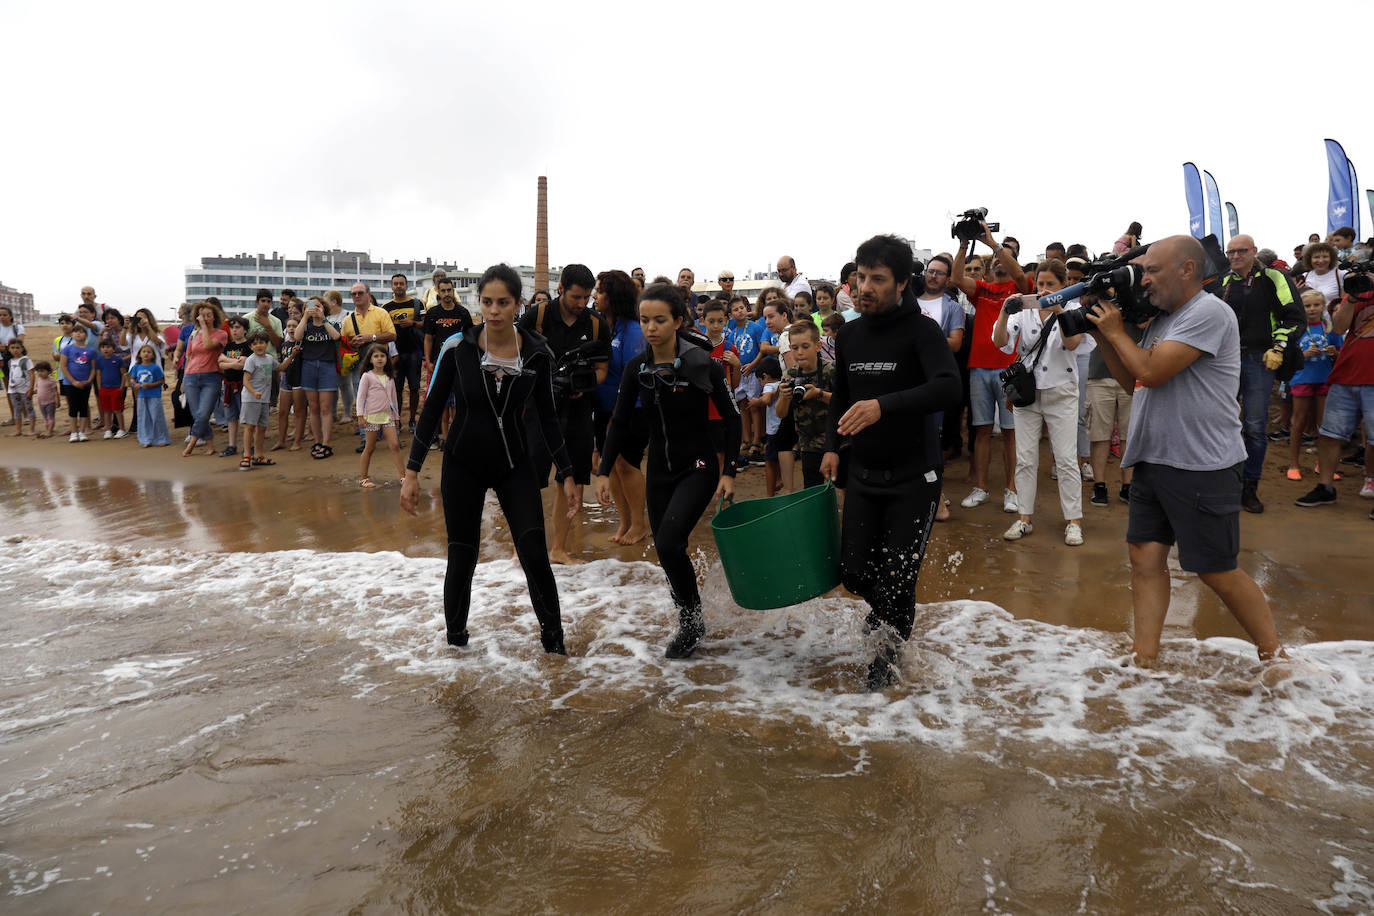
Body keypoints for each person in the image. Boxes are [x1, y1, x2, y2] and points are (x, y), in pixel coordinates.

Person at [1085, 235, 1285, 664]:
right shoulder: (1161, 321)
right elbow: (1134, 382)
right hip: (1153, 456)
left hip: (1202, 462)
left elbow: (1152, 371)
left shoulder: (1209, 312)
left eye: (1152, 270)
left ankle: (1276, 657)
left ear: (1187, 270)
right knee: (1144, 558)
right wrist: (1103, 335)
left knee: (1215, 568)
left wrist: (1118, 332)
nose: (1144, 280)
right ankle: (1145, 657)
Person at [401, 264, 578, 655]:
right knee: (462, 557)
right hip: (462, 463)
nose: (494, 310)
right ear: (478, 302)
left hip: (515, 464)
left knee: (534, 556)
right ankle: (456, 648)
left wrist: (567, 473)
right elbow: (431, 412)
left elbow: (548, 418)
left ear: (517, 304)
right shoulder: (458, 349)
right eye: (487, 302)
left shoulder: (535, 353)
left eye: (503, 302)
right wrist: (412, 472)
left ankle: (555, 649)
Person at [821, 234, 961, 690]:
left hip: (914, 476)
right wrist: (830, 446)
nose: (865, 287)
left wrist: (884, 405)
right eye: (860, 277)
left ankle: (889, 660)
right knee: (855, 574)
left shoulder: (921, 330)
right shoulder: (850, 334)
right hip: (862, 472)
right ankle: (885, 617)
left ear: (902, 283)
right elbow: (841, 394)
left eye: (877, 279)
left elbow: (947, 387)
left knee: (898, 579)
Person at [595, 282, 739, 659]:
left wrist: (731, 472)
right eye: (644, 320)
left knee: (672, 539)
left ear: (678, 321)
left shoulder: (701, 364)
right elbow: (620, 422)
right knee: (666, 547)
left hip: (699, 465)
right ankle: (690, 614)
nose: (650, 328)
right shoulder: (635, 368)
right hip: (659, 469)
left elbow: (732, 419)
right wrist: (602, 470)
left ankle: (691, 625)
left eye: (659, 320)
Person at [518, 263, 609, 565]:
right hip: (539, 409)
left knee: (572, 479)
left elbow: (602, 370)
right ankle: (524, 548)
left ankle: (558, 548)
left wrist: (585, 383)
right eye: (576, 297)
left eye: (587, 297)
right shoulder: (538, 316)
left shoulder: (596, 324)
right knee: (531, 479)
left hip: (579, 410)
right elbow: (513, 354)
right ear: (560, 289)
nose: (582, 304)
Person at [993, 260, 1086, 545]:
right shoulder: (1025, 310)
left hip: (1061, 391)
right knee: (1025, 458)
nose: (1044, 290)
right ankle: (1024, 518)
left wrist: (1058, 307)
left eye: (1050, 284)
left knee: (1067, 458)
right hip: (1029, 394)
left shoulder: (1073, 310)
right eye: (1040, 284)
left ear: (1063, 286)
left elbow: (1073, 344)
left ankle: (1073, 522)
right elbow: (1000, 342)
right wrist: (1003, 312)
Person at [1219, 234, 1303, 513]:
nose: (1234, 256)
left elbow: (1294, 316)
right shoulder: (1223, 282)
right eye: (1230, 252)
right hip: (1226, 361)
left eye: (1241, 251)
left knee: (1254, 426)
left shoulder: (1273, 278)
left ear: (1254, 251)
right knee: (1222, 424)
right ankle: (1224, 483)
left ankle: (1250, 486)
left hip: (1260, 359)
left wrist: (1279, 346)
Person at [952, 220, 1030, 513]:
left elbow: (1020, 274)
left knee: (1010, 433)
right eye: (994, 259)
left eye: (1004, 258)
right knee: (982, 430)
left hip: (1009, 368)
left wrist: (994, 244)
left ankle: (1012, 489)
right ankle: (981, 487)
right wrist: (963, 243)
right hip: (979, 368)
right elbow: (958, 279)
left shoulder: (1020, 287)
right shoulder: (982, 289)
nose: (998, 260)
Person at [1295, 271, 1374, 515]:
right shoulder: (1362, 293)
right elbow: (1339, 328)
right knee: (1329, 435)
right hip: (1345, 376)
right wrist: (1352, 297)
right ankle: (1325, 486)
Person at [594, 269, 651, 546]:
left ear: (613, 297)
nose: (595, 294)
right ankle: (625, 521)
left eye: (600, 290)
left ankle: (640, 524)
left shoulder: (633, 329)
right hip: (606, 409)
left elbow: (636, 375)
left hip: (633, 409)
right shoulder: (608, 326)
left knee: (627, 464)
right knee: (614, 466)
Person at [918, 255, 966, 521]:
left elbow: (956, 343)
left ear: (948, 279)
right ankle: (929, 495)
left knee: (931, 440)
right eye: (930, 271)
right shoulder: (909, 303)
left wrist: (926, 338)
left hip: (935, 381)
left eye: (939, 273)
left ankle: (937, 496)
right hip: (908, 380)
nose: (933, 276)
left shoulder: (953, 307)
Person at [1285, 290, 1343, 480]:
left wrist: (1334, 352)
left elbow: (1342, 355)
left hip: (1324, 379)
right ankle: (1294, 464)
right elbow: (1287, 357)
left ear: (1323, 306)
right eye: (1307, 306)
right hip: (1302, 378)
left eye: (1316, 305)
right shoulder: (1296, 329)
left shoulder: (1331, 329)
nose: (1312, 309)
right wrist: (1304, 355)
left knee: (1323, 425)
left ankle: (1323, 464)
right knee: (1298, 422)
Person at [777, 320, 837, 489]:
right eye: (794, 348)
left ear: (818, 346)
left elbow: (844, 403)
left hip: (835, 440)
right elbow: (781, 413)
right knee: (812, 489)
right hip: (808, 443)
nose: (800, 352)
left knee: (843, 483)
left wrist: (818, 394)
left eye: (805, 346)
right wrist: (784, 397)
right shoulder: (791, 374)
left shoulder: (830, 369)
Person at [344, 282, 398, 453]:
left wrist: (370, 337)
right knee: (363, 398)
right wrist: (353, 344)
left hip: (382, 362)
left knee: (387, 397)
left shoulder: (381, 313)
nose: (357, 296)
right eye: (353, 294)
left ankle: (393, 435)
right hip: (361, 364)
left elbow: (392, 335)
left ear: (368, 294)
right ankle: (365, 438)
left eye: (360, 293)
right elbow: (346, 343)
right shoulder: (348, 319)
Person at [292, 296, 342, 460]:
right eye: (311, 306)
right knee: (313, 408)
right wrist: (305, 316)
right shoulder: (305, 326)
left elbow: (336, 337)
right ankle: (318, 441)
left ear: (324, 308)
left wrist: (323, 318)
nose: (314, 308)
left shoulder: (331, 324)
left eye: (318, 306)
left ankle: (326, 442)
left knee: (325, 408)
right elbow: (297, 337)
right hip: (309, 366)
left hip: (327, 366)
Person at [180, 300, 228, 457]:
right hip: (191, 377)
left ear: (214, 317)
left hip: (211, 377)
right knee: (197, 414)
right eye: (202, 316)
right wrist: (183, 379)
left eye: (209, 315)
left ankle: (191, 444)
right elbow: (189, 356)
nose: (205, 318)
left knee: (203, 414)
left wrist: (204, 328)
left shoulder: (221, 334)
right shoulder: (194, 335)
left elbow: (208, 346)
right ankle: (210, 445)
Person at [354, 344, 405, 487]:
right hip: (372, 418)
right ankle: (364, 478)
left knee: (395, 445)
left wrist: (396, 418)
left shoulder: (389, 377)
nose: (379, 359)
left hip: (388, 417)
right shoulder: (367, 377)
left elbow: (394, 398)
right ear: (370, 360)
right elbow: (360, 398)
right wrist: (360, 416)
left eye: (382, 356)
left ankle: (403, 477)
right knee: (370, 448)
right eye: (376, 356)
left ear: (387, 359)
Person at [382, 273, 425, 434]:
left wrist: (412, 322)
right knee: (397, 389)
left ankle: (413, 420)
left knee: (414, 388)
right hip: (395, 354)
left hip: (414, 351)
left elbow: (425, 324)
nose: (398, 286)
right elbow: (384, 330)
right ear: (392, 286)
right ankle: (397, 420)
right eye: (395, 284)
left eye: (401, 283)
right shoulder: (386, 307)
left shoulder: (417, 303)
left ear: (407, 286)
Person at [237, 331, 278, 470]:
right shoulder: (251, 359)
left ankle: (259, 456)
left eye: (262, 342)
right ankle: (247, 456)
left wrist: (292, 355)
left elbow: (281, 367)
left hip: (264, 400)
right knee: (249, 427)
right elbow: (245, 381)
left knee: (262, 428)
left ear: (267, 344)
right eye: (255, 343)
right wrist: (254, 392)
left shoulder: (270, 359)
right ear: (251, 346)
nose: (259, 346)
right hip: (251, 399)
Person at [750, 356, 786, 496]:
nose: (761, 384)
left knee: (769, 461)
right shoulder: (783, 383)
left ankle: (769, 494)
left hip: (774, 429)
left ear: (765, 376)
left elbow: (766, 399)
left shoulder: (770, 386)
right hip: (783, 427)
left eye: (760, 381)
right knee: (780, 457)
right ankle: (779, 479)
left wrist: (756, 402)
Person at [217, 317, 251, 457]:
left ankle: (248, 446)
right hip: (229, 385)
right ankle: (232, 445)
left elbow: (243, 364)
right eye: (232, 328)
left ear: (245, 330)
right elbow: (220, 362)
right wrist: (232, 363)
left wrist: (227, 361)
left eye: (237, 327)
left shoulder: (249, 346)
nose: (234, 330)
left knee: (246, 418)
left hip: (243, 385)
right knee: (231, 417)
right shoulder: (229, 346)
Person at [59, 324, 97, 442]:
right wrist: (73, 381)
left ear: (86, 335)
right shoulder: (67, 349)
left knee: (84, 406)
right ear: (72, 334)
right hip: (70, 384)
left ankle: (82, 431)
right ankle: (74, 432)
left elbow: (93, 368)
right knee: (73, 407)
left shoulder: (90, 350)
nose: (78, 334)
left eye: (81, 332)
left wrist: (90, 380)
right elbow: (63, 366)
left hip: (85, 383)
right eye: (76, 332)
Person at [92, 337, 128, 439]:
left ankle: (122, 429)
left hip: (116, 388)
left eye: (108, 347)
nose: (105, 349)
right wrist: (99, 388)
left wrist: (121, 387)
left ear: (113, 349)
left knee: (117, 410)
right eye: (103, 347)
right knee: (106, 410)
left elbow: (123, 374)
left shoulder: (118, 359)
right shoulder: (99, 360)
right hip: (104, 389)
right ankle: (108, 429)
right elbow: (98, 375)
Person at [1300, 242, 1346, 307]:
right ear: (1309, 259)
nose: (1321, 261)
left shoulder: (1341, 274)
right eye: (1316, 257)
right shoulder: (1305, 276)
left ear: (1331, 258)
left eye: (1325, 257)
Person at [6, 339, 35, 436]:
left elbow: (32, 375)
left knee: (29, 408)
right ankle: (18, 430)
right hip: (13, 390)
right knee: (16, 409)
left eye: (17, 348)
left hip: (25, 390)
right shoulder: (10, 361)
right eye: (12, 348)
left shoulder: (26, 360)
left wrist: (31, 388)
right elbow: (12, 374)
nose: (15, 350)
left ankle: (31, 430)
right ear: (9, 349)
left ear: (22, 348)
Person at [32, 361, 58, 438]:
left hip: (50, 402)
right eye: (38, 371)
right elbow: (38, 389)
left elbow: (55, 392)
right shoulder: (38, 380)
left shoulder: (51, 381)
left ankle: (49, 431)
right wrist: (33, 392)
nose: (40, 373)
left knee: (50, 417)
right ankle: (48, 429)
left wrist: (57, 401)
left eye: (42, 371)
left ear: (49, 371)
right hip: (41, 402)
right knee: (45, 417)